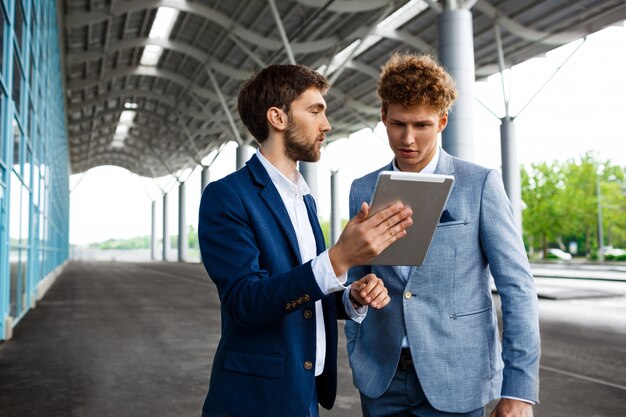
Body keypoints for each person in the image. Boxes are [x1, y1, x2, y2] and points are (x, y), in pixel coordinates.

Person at [198, 64, 413, 417]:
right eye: (315, 110)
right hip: (256, 400)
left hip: (305, 394)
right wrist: (338, 259)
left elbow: (304, 293)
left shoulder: (304, 199)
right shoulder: (227, 196)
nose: (326, 125)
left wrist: (350, 299)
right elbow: (245, 302)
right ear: (277, 117)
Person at [345, 53, 540, 417]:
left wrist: (519, 390)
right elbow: (355, 279)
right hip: (380, 377)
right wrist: (356, 328)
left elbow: (517, 287)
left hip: (457, 377)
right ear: (383, 117)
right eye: (398, 123)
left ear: (442, 122)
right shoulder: (362, 189)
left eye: (421, 125)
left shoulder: (479, 184)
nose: (408, 139)